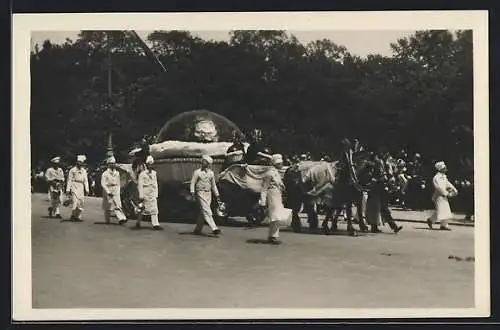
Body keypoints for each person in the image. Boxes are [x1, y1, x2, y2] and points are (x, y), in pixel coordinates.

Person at [366, 152, 403, 233]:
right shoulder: (371, 166)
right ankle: (374, 227)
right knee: (375, 209)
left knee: (384, 209)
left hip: (380, 189)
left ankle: (394, 226)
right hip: (374, 190)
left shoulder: (380, 164)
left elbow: (383, 175)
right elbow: (372, 177)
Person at [190, 155, 222, 236]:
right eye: (203, 161)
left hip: (208, 193)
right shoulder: (197, 172)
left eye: (205, 161)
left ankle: (197, 229)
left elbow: (213, 185)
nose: (203, 162)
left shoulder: (211, 173)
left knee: (203, 212)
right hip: (200, 193)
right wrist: (192, 193)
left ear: (208, 163)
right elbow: (192, 183)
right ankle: (214, 228)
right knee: (207, 210)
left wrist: (217, 195)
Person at [259, 154, 286, 245]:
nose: (282, 164)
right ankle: (273, 236)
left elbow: (279, 184)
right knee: (275, 216)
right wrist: (263, 201)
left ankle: (273, 235)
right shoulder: (269, 173)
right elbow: (264, 188)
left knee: (276, 217)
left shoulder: (277, 173)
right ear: (276, 164)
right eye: (280, 163)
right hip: (272, 196)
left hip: (278, 195)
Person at [427, 161, 458, 231]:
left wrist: (454, 189)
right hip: (438, 196)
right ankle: (443, 225)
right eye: (444, 168)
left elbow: (448, 184)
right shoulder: (436, 177)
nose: (446, 169)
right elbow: (439, 187)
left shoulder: (444, 177)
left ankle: (432, 220)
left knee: (443, 210)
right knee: (442, 210)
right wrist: (445, 193)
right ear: (441, 169)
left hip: (443, 195)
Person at [136, 155, 162, 230]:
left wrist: (156, 193)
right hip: (145, 192)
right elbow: (140, 185)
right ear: (146, 165)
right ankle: (138, 221)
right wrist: (141, 195)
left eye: (151, 164)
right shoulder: (142, 174)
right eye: (149, 164)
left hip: (152, 193)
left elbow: (155, 184)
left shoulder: (154, 173)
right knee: (142, 209)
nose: (150, 166)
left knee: (154, 209)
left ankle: (155, 224)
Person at [101, 156, 128, 225]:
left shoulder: (117, 173)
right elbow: (103, 184)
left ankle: (121, 218)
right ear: (109, 164)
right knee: (108, 206)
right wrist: (108, 192)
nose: (113, 165)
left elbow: (118, 182)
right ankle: (107, 220)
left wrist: (118, 190)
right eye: (112, 163)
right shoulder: (105, 174)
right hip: (108, 189)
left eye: (114, 163)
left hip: (116, 189)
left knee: (117, 204)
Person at [66, 155, 89, 221]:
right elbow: (69, 179)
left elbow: (85, 180)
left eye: (81, 162)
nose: (79, 163)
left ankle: (77, 216)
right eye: (78, 162)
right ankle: (73, 215)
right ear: (76, 162)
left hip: (81, 187)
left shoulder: (84, 171)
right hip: (74, 185)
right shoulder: (72, 170)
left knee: (81, 202)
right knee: (75, 201)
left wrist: (87, 189)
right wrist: (68, 189)